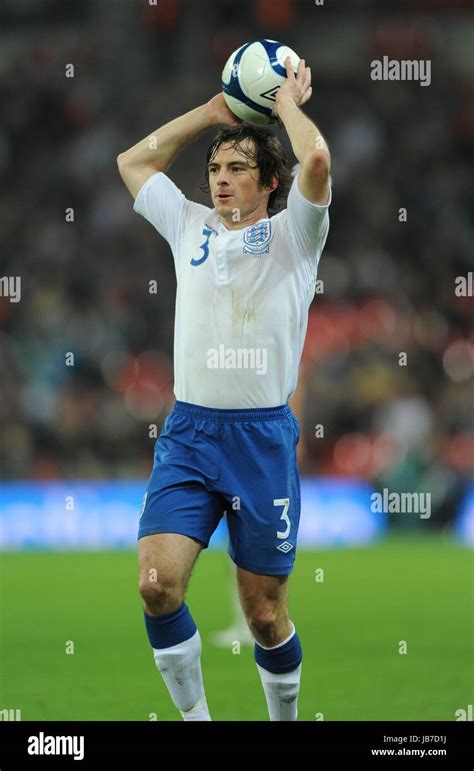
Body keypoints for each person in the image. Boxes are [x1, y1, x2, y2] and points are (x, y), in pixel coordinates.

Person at [117, 57, 331, 721]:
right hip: (188, 434)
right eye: (215, 169)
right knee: (157, 587)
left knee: (266, 615)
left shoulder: (295, 235)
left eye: (237, 168)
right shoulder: (190, 227)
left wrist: (284, 104)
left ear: (269, 182)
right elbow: (133, 162)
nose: (221, 179)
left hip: (260, 440)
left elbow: (317, 159)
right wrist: (211, 115)